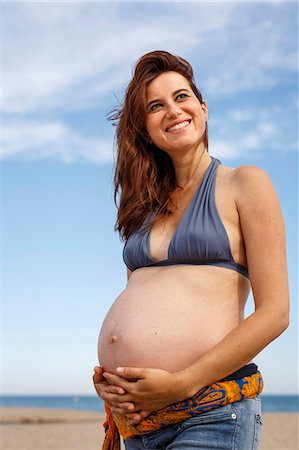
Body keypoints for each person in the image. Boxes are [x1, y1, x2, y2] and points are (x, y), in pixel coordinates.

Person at [93, 50, 289, 450]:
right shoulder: (143, 207)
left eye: (181, 97)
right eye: (155, 106)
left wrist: (181, 382)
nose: (173, 110)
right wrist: (115, 384)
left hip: (209, 414)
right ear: (145, 128)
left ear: (202, 108)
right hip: (139, 422)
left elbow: (275, 313)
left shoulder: (245, 183)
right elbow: (143, 302)